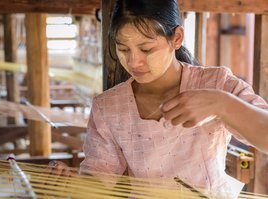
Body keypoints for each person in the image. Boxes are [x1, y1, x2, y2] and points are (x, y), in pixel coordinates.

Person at [48, 0, 268, 198]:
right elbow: (100, 180)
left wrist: (222, 104)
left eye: (146, 49)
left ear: (177, 38)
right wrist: (74, 186)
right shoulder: (109, 106)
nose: (134, 62)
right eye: (123, 49)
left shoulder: (216, 83)